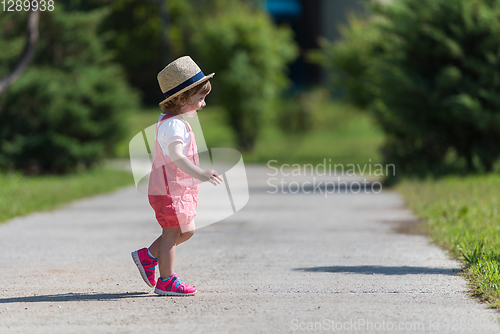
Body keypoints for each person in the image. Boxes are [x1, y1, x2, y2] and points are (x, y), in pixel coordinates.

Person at [131, 56, 224, 296]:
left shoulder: (175, 122)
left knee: (187, 230)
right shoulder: (174, 126)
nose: (203, 104)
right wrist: (200, 173)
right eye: (200, 98)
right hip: (169, 190)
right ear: (182, 98)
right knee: (172, 232)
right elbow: (176, 156)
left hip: (176, 189)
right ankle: (166, 281)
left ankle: (148, 255)